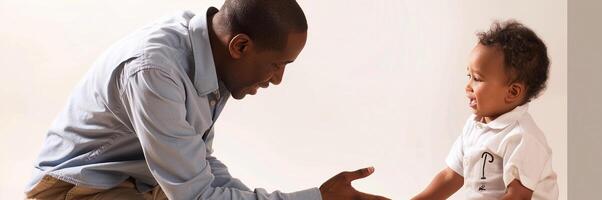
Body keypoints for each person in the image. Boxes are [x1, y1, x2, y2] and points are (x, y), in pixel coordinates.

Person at [25, 0, 388, 199]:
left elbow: (201, 166)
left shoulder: (211, 56)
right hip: (74, 191)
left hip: (140, 186)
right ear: (241, 46)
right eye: (277, 65)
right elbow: (197, 197)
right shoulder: (156, 71)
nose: (278, 79)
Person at [412, 20, 559, 200]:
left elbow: (518, 196)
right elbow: (450, 177)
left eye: (477, 79)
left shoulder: (521, 137)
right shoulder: (474, 126)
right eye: (469, 76)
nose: (468, 86)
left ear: (512, 92)